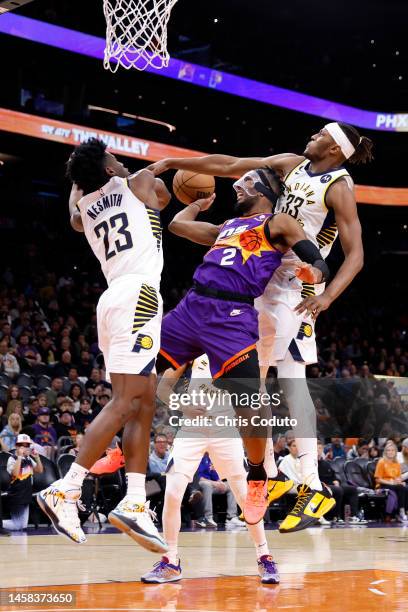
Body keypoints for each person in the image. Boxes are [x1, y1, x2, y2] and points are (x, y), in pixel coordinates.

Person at [149, 121, 373, 533]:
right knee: (290, 381)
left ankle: (277, 476)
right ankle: (307, 482)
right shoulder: (290, 164)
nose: (313, 134)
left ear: (336, 149)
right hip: (262, 279)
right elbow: (228, 163)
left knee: (253, 384)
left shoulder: (339, 186)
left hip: (290, 291)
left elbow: (355, 254)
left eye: (322, 133)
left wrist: (325, 296)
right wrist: (170, 160)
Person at [156, 166, 333, 527]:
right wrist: (197, 204)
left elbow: (317, 259)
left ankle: (258, 477)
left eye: (245, 183)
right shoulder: (226, 227)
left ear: (265, 189)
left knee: (250, 402)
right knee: (137, 368)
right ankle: (113, 451)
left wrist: (314, 273)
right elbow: (176, 225)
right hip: (193, 304)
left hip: (233, 311)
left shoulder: (277, 222)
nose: (237, 188)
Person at [37, 137, 176, 553]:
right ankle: (67, 487)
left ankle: (134, 499)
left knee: (144, 398)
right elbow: (167, 196)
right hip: (140, 296)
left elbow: (75, 209)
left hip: (113, 296)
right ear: (110, 168)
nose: (121, 159)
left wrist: (83, 176)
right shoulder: (140, 181)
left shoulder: (83, 209)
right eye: (114, 157)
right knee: (126, 400)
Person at [142, 356, 279, 584]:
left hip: (226, 429)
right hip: (192, 428)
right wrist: (182, 405)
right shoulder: (193, 349)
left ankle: (264, 556)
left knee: (246, 498)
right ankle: (170, 561)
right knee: (173, 492)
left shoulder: (235, 348)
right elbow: (163, 388)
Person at [3, 434, 43, 531]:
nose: (25, 448)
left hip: (26, 494)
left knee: (22, 526)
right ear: (16, 446)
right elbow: (15, 474)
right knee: (17, 526)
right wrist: (19, 457)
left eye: (27, 446)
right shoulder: (12, 459)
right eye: (22, 445)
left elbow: (39, 470)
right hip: (17, 495)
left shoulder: (28, 459)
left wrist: (37, 457)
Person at [375, 441, 408, 522]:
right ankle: (401, 511)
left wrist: (400, 481)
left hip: (395, 485)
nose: (390, 452)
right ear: (385, 452)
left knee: (405, 487)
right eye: (388, 450)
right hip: (383, 485)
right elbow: (377, 479)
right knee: (400, 487)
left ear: (395, 452)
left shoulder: (397, 463)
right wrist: (391, 482)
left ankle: (400, 513)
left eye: (393, 450)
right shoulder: (381, 462)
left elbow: (398, 478)